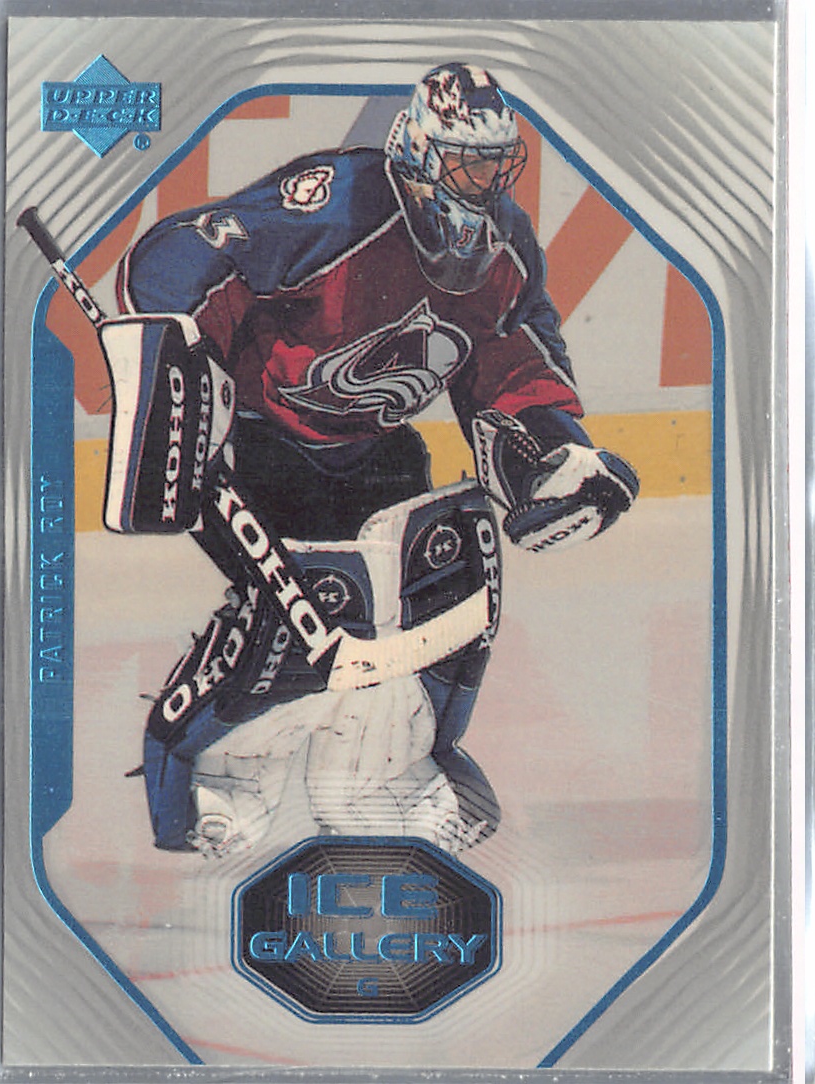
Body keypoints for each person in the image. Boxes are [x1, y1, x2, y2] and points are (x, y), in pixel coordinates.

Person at [104, 62, 639, 857]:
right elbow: (188, 252)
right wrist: (181, 354)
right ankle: (220, 780)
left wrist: (551, 455)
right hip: (261, 439)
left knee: (429, 602)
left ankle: (377, 782)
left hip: (379, 448)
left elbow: (513, 355)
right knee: (307, 621)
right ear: (419, 151)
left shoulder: (506, 248)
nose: (486, 184)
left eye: (497, 166)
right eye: (467, 164)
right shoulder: (342, 201)